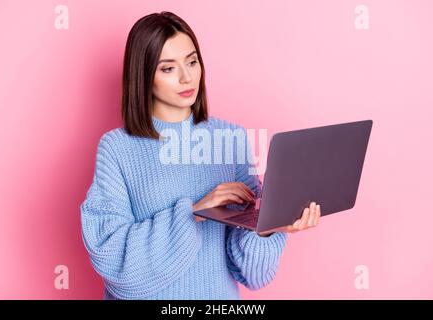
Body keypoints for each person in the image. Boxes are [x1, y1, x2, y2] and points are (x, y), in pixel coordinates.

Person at [80, 11, 320, 300]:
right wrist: (194, 213)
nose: (186, 77)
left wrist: (269, 227)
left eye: (192, 61)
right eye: (168, 69)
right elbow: (114, 261)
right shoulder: (117, 148)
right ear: (143, 76)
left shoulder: (232, 139)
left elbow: (251, 274)